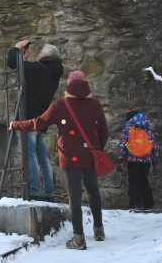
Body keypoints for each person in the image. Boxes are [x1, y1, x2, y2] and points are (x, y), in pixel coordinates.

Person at [10, 70, 108, 250]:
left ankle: (78, 239)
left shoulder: (60, 105)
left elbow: (38, 123)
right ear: (85, 83)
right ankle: (99, 229)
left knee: (74, 196)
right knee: (94, 191)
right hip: (90, 155)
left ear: (68, 85)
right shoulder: (95, 104)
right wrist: (97, 149)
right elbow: (104, 132)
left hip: (70, 157)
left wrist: (16, 124)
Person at [6, 38, 63, 201]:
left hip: (28, 119)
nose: (37, 55)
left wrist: (16, 49)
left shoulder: (40, 69)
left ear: (45, 54)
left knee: (30, 155)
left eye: (40, 53)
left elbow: (12, 63)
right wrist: (24, 62)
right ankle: (49, 192)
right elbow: (28, 73)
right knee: (43, 158)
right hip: (41, 121)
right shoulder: (53, 73)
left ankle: (33, 191)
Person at [117, 108, 160, 212]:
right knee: (144, 181)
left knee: (134, 182)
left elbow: (122, 146)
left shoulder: (127, 130)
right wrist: (155, 163)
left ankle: (135, 204)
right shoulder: (148, 131)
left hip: (133, 160)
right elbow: (155, 147)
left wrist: (120, 160)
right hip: (146, 161)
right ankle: (148, 204)